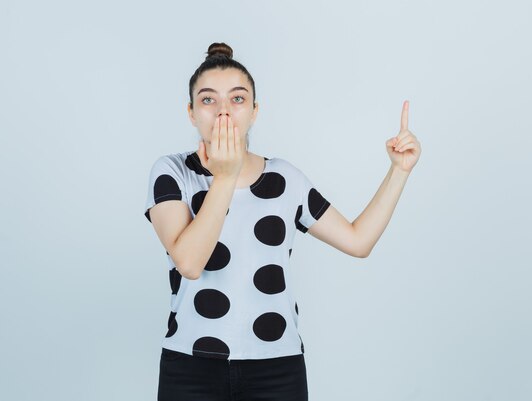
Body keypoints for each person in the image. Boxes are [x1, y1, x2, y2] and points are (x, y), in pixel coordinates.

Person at [143, 42, 421, 401]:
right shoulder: (172, 172)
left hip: (277, 367)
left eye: (238, 99)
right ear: (191, 112)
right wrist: (225, 177)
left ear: (255, 111)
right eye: (209, 100)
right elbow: (190, 263)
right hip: (191, 367)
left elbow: (358, 241)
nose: (224, 112)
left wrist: (399, 171)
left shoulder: (284, 179)